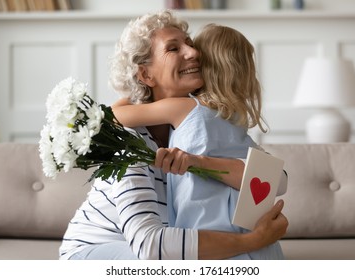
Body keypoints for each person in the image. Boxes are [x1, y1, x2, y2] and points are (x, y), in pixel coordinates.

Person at [59, 10, 288, 260]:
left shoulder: (201, 122)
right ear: (146, 75)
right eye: (173, 48)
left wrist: (200, 162)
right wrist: (254, 240)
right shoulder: (128, 144)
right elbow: (151, 248)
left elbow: (277, 180)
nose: (194, 53)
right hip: (91, 253)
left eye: (190, 43)